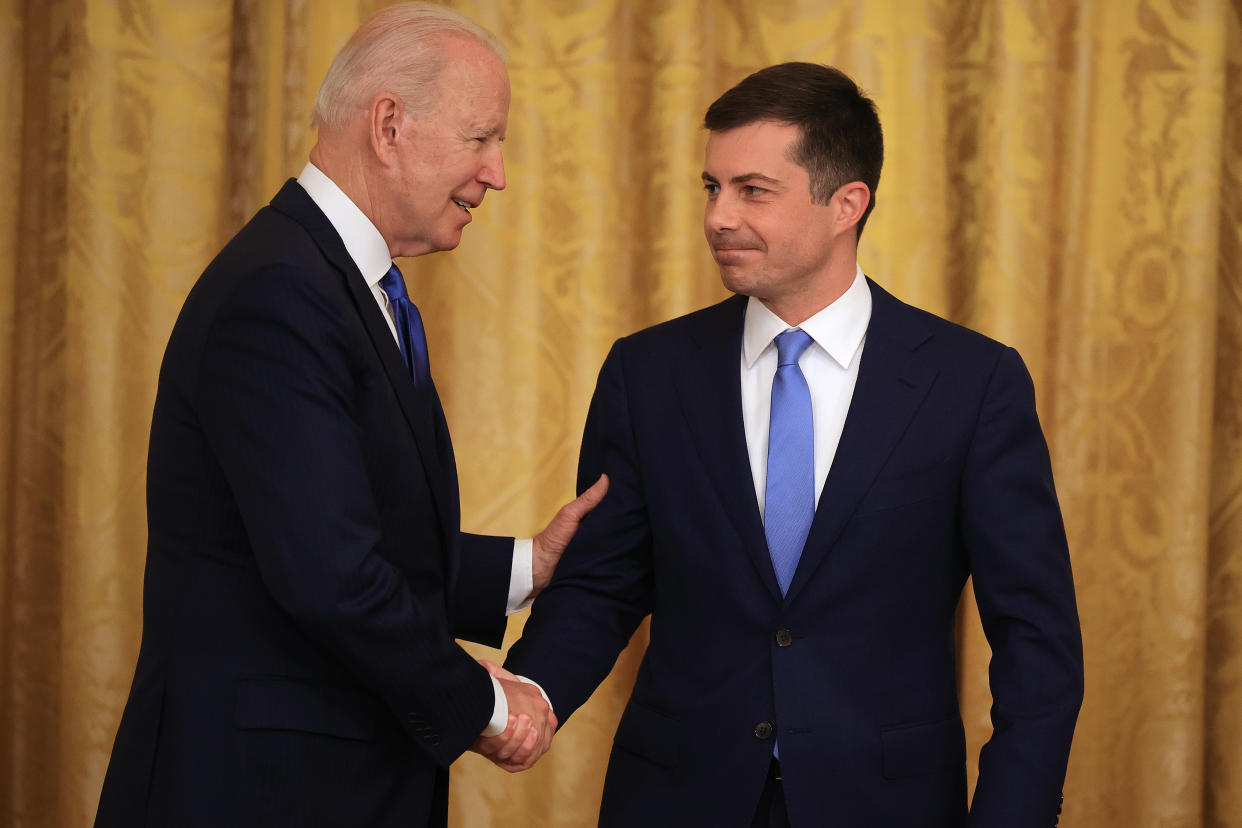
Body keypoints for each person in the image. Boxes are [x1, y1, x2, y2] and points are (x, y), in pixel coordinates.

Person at [504, 62, 1084, 828]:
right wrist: (531, 693)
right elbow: (603, 583)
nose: (717, 217)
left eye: (753, 190)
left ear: (847, 204)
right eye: (712, 188)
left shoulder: (972, 383)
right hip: (676, 800)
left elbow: (1036, 640)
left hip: (889, 805)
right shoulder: (647, 373)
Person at [94, 4, 604, 827]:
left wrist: (526, 568)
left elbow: (333, 531)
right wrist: (489, 705)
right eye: (482, 139)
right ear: (390, 125)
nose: (499, 173)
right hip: (256, 791)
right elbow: (329, 576)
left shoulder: (337, 282)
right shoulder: (281, 293)